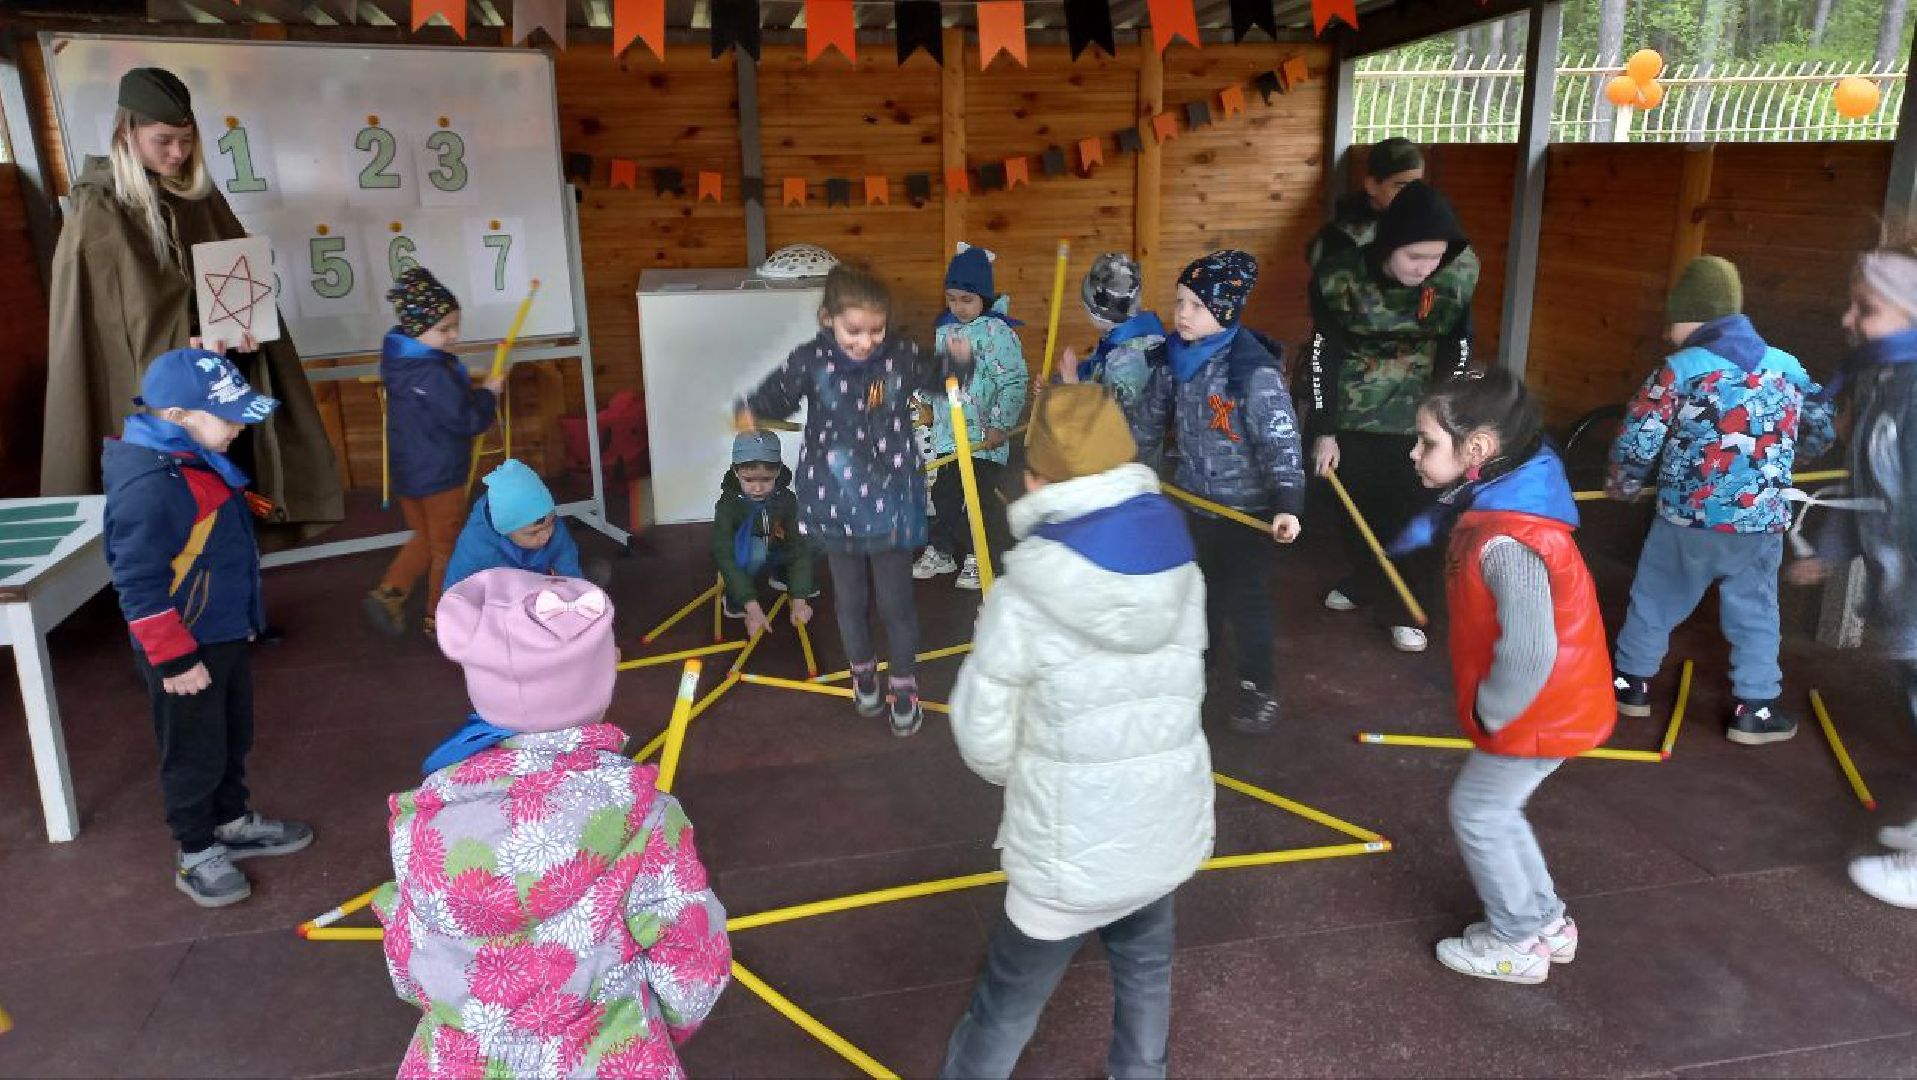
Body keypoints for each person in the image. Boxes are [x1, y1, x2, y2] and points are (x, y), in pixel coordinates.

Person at [941, 385, 1211, 1079]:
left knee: (1004, 1007)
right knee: (1146, 975)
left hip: (1063, 858)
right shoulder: (1180, 560)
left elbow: (982, 737)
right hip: (1161, 829)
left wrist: (1027, 772)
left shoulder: (1025, 589)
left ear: (1036, 480)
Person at [373, 569, 730, 1077]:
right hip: (608, 1057)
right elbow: (693, 961)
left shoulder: (425, 815)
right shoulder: (645, 813)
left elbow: (408, 964)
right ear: (607, 677)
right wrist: (662, 1025)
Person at [45, 66, 341, 543]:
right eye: (164, 140)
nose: (178, 153)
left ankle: (234, 594)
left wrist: (246, 324)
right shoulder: (98, 210)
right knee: (171, 508)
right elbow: (110, 329)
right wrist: (180, 345)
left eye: (186, 139)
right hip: (158, 395)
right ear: (128, 132)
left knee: (227, 491)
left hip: (218, 378)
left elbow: (230, 276)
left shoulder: (197, 196)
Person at [1392, 369, 1613, 984]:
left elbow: (1532, 648)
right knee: (1498, 808)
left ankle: (1516, 940)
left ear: (1479, 451)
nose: (1414, 452)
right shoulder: (1502, 507)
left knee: (1479, 812)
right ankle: (1545, 920)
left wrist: (1494, 707)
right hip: (1554, 704)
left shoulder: (1509, 538)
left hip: (1536, 709)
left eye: (1427, 441)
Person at [102, 347, 313, 907]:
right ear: (175, 417)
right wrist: (173, 658)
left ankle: (230, 821)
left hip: (218, 631)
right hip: (182, 645)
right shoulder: (151, 485)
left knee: (229, 735)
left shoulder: (193, 458)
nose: (240, 425)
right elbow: (137, 582)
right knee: (193, 750)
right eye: (228, 416)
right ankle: (197, 849)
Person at [1607, 256, 1835, 744]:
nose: (1668, 333)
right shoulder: (1788, 368)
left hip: (1686, 519)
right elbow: (1819, 425)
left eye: (1672, 322)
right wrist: (1792, 461)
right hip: (1760, 521)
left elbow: (1640, 436)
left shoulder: (1679, 369)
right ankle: (1754, 709)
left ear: (1696, 318)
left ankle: (1629, 687)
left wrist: (1624, 484)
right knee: (1755, 612)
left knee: (1655, 598)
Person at [736, 264, 942, 736]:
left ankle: (905, 686)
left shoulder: (900, 356)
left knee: (897, 602)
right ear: (828, 318)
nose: (866, 341)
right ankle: (863, 674)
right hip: (834, 501)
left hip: (889, 500)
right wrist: (753, 409)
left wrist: (959, 359)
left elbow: (938, 376)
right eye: (854, 330)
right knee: (849, 600)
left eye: (876, 329)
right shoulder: (811, 360)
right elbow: (778, 393)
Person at [1786, 244, 1917, 909]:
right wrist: (1833, 550)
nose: (1848, 320)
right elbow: (1863, 484)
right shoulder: (1882, 381)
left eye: (1866, 309)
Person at [1131, 250, 1305, 735]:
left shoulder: (1252, 372)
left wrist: (1288, 503)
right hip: (1192, 503)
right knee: (1195, 591)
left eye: (1195, 305)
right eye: (1179, 301)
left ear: (1224, 312)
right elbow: (1146, 423)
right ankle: (1198, 663)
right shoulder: (1173, 358)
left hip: (1246, 512)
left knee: (1246, 599)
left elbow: (1282, 442)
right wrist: (1129, 472)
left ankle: (1257, 685)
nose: (1181, 313)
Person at [1308, 179, 1480, 654]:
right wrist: (1325, 429)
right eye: (1415, 257)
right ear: (1389, 245)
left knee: (1412, 513)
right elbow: (1324, 352)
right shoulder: (1340, 277)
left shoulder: (1452, 279)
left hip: (1419, 417)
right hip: (1352, 415)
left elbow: (1458, 348)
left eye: (1435, 258)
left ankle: (1407, 607)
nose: (1426, 268)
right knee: (1352, 508)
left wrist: (1447, 423)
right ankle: (1367, 578)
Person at [363, 267, 502, 638]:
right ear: (416, 329)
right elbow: (466, 419)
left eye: (456, 325)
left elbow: (444, 407)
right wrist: (489, 392)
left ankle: (390, 592)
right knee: (447, 547)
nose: (454, 335)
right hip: (440, 476)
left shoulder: (401, 361)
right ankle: (440, 617)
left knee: (425, 536)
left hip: (409, 474)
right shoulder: (432, 374)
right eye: (444, 329)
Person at [914, 244, 1028, 591]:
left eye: (967, 299)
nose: (958, 307)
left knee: (978, 500)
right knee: (946, 496)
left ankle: (981, 556)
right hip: (952, 437)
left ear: (984, 297)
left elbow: (1013, 381)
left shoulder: (998, 334)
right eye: (951, 298)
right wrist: (930, 407)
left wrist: (999, 424)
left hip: (984, 440)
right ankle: (945, 550)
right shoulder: (945, 331)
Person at [713, 429, 818, 637]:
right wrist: (752, 607)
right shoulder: (727, 506)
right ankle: (735, 601)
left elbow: (799, 544)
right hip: (744, 554)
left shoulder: (786, 499)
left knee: (813, 540)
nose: (758, 488)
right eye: (749, 480)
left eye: (767, 479)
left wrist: (799, 599)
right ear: (736, 471)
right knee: (756, 552)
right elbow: (723, 553)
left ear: (778, 471)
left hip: (775, 546)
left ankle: (784, 577)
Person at [443, 458, 583, 591]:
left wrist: (576, 592)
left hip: (540, 594)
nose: (546, 535)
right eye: (534, 532)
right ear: (504, 529)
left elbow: (567, 560)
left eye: (551, 523)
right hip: (497, 600)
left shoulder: (546, 520)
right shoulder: (476, 546)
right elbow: (455, 591)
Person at [1057, 251, 1166, 417]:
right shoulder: (1127, 339)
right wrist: (1056, 386)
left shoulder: (1128, 359)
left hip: (1128, 442)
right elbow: (1098, 375)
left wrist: (1073, 386)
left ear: (1096, 313)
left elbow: (1112, 422)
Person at [1306, 136, 1426, 269]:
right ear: (1372, 186)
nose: (1412, 194)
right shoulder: (1340, 238)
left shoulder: (1429, 227)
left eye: (1416, 186)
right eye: (1401, 186)